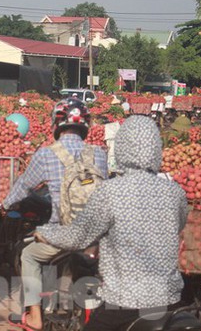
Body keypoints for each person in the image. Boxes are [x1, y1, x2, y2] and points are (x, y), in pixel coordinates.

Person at [34, 116, 188, 331]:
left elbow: (78, 236)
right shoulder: (175, 192)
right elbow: (178, 226)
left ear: (122, 148)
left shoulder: (110, 192)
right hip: (169, 300)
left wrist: (45, 232)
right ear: (156, 149)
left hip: (124, 303)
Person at [4, 98, 108, 331]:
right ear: (85, 125)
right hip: (96, 237)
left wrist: (7, 204)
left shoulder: (46, 154)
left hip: (63, 234)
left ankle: (34, 316)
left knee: (29, 255)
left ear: (57, 123)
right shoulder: (99, 154)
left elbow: (22, 187)